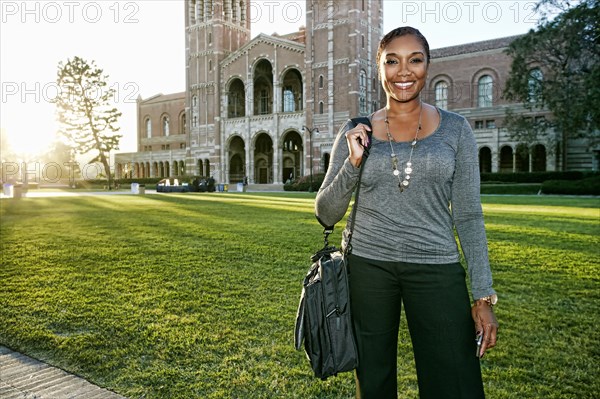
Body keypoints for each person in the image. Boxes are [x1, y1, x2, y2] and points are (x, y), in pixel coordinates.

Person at [315, 26, 499, 399]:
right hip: (368, 266)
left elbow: (468, 215)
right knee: (374, 380)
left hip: (436, 265)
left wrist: (482, 296)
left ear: (427, 66)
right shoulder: (356, 129)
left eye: (414, 60)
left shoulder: (456, 129)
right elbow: (326, 213)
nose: (404, 71)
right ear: (379, 68)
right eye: (392, 61)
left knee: (454, 379)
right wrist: (353, 163)